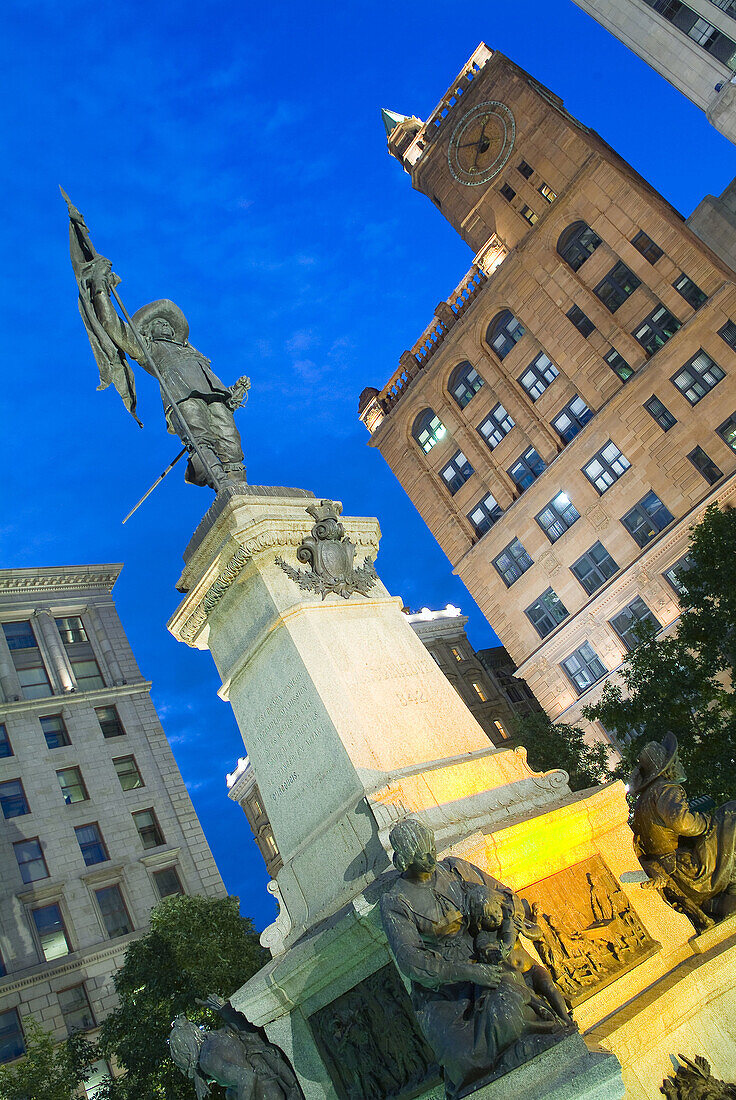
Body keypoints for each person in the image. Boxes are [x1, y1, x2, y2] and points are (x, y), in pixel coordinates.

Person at [380, 818, 569, 1099]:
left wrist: (502, 931)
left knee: (509, 1011)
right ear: (405, 860)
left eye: (432, 848)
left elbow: (508, 898)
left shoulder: (455, 869)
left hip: (484, 959)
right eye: (422, 855)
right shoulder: (396, 901)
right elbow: (410, 961)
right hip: (442, 986)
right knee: (460, 1056)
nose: (432, 858)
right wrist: (467, 973)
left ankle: (529, 1042)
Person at [84, 255, 249, 490]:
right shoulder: (149, 349)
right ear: (148, 332)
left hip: (214, 395)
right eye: (159, 323)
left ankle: (241, 487)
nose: (166, 326)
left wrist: (232, 392)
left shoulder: (194, 352)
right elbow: (112, 325)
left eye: (168, 324)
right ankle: (222, 485)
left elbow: (211, 380)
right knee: (200, 439)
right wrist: (100, 286)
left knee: (231, 442)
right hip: (181, 394)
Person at [630, 733, 736, 926]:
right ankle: (729, 897)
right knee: (730, 813)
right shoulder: (665, 789)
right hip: (691, 872)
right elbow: (683, 823)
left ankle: (722, 901)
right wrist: (708, 823)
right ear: (667, 769)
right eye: (676, 760)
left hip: (676, 875)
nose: (680, 763)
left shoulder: (641, 803)